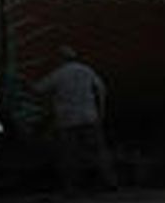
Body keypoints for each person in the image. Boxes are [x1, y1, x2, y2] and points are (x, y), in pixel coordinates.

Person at [35, 45, 116, 191]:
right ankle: (109, 182)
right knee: (98, 152)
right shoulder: (87, 70)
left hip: (68, 121)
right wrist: (101, 113)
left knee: (69, 155)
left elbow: (39, 89)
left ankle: (72, 188)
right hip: (90, 117)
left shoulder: (58, 74)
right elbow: (101, 90)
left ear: (60, 59)